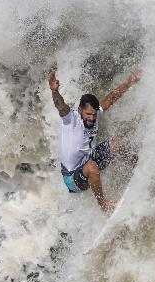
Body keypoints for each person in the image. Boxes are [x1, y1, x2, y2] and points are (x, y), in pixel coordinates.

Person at [47, 68, 141, 212]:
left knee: (116, 143)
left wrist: (129, 82)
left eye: (94, 114)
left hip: (89, 160)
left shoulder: (96, 114)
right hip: (72, 178)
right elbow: (61, 106)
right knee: (91, 166)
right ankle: (103, 204)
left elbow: (111, 97)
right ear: (80, 111)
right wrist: (55, 92)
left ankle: (137, 166)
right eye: (88, 114)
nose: (91, 118)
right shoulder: (71, 119)